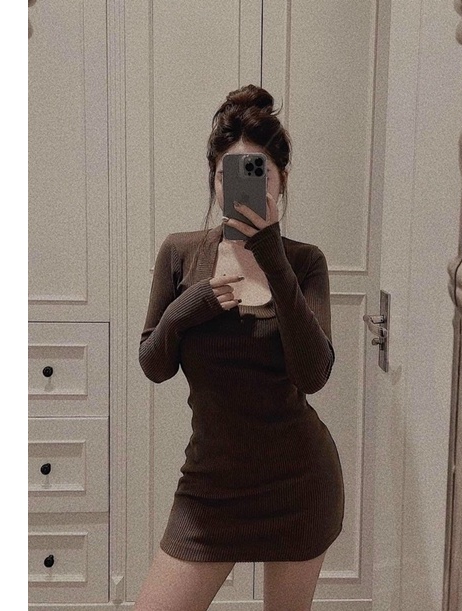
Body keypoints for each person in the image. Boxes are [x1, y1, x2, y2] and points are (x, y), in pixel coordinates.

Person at [134, 84, 345, 611]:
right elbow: (154, 364)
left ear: (281, 180)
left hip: (298, 486)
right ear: (214, 178)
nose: (244, 186)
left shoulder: (304, 262)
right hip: (209, 489)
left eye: (258, 174)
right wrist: (190, 306)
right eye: (230, 174)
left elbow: (313, 373)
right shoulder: (180, 254)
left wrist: (271, 254)